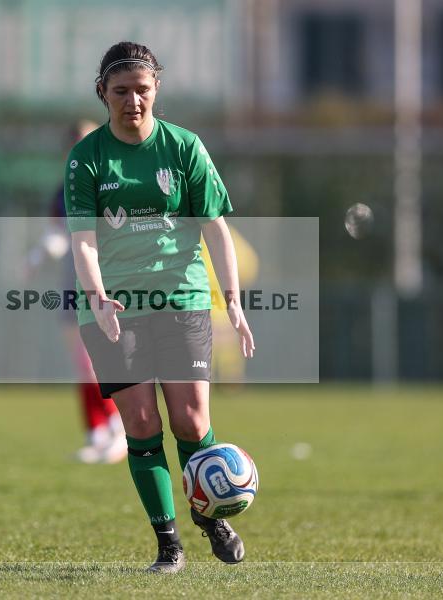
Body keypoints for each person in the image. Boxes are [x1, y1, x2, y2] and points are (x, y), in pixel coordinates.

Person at [64, 41, 255, 574]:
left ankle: (210, 515)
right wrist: (98, 299)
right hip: (112, 309)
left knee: (191, 420)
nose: (133, 101)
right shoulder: (86, 158)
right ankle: (168, 545)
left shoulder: (185, 147)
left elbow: (216, 228)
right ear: (103, 92)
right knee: (143, 423)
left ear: (156, 89)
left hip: (182, 299)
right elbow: (83, 241)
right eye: (121, 91)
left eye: (142, 90)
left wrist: (233, 300)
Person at [26, 120, 128, 465]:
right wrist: (37, 256)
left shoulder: (115, 183)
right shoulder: (64, 190)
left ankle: (119, 428)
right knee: (82, 364)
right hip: (73, 282)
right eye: (74, 143)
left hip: (107, 281)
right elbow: (58, 234)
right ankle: (97, 433)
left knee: (99, 361)